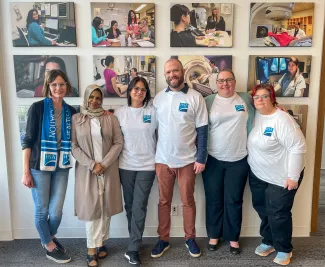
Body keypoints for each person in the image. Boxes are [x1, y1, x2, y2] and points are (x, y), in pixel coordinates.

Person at [151, 58, 208, 258]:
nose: (171, 75)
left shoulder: (195, 97)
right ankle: (163, 239)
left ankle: (190, 238)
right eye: (168, 72)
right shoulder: (158, 99)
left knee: (187, 201)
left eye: (175, 71)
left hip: (188, 161)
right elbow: (153, 130)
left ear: (182, 71)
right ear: (164, 75)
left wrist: (201, 158)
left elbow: (202, 130)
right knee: (163, 202)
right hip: (163, 160)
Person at [247, 83, 307, 266]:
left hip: (282, 177)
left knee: (278, 213)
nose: (260, 100)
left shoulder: (282, 119)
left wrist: (293, 177)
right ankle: (269, 241)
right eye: (257, 97)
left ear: (272, 98)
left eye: (265, 96)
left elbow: (298, 147)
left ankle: (284, 248)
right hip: (258, 174)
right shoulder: (255, 114)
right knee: (263, 209)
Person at [21, 69, 76, 264]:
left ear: (66, 86)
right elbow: (27, 140)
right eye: (54, 85)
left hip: (61, 165)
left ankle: (48, 237)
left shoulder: (71, 111)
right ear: (48, 86)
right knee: (42, 210)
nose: (58, 88)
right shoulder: (37, 108)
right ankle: (50, 246)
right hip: (39, 166)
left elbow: (85, 129)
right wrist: (25, 171)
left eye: (61, 84)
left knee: (57, 211)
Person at [202, 69, 255, 255]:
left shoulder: (246, 99)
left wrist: (278, 106)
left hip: (239, 159)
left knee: (234, 200)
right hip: (213, 159)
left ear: (235, 81)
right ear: (216, 84)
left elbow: (265, 106)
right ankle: (214, 235)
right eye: (221, 81)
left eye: (229, 80)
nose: (225, 84)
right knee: (214, 200)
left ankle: (233, 238)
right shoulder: (208, 102)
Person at [71, 84, 124, 267]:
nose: (94, 101)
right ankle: (91, 249)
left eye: (98, 98)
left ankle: (101, 242)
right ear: (86, 98)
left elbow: (118, 143)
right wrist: (93, 165)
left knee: (105, 207)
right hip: (88, 171)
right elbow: (74, 147)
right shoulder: (77, 118)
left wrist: (104, 164)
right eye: (91, 97)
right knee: (92, 209)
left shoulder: (111, 119)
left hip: (108, 169)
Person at [114, 77, 157, 266]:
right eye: (136, 88)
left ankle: (132, 249)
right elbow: (115, 140)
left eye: (143, 89)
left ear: (146, 92)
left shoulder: (153, 111)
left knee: (139, 206)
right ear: (129, 90)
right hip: (125, 165)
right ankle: (135, 240)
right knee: (130, 206)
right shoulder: (120, 113)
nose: (139, 92)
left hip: (148, 165)